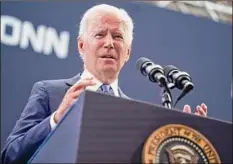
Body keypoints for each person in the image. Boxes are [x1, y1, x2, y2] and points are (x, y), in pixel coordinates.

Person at [1, 4, 208, 164]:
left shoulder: (136, 114)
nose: (109, 43)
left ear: (127, 53)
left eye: (118, 36)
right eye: (100, 34)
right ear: (82, 46)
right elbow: (10, 156)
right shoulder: (49, 92)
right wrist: (56, 119)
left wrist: (185, 142)